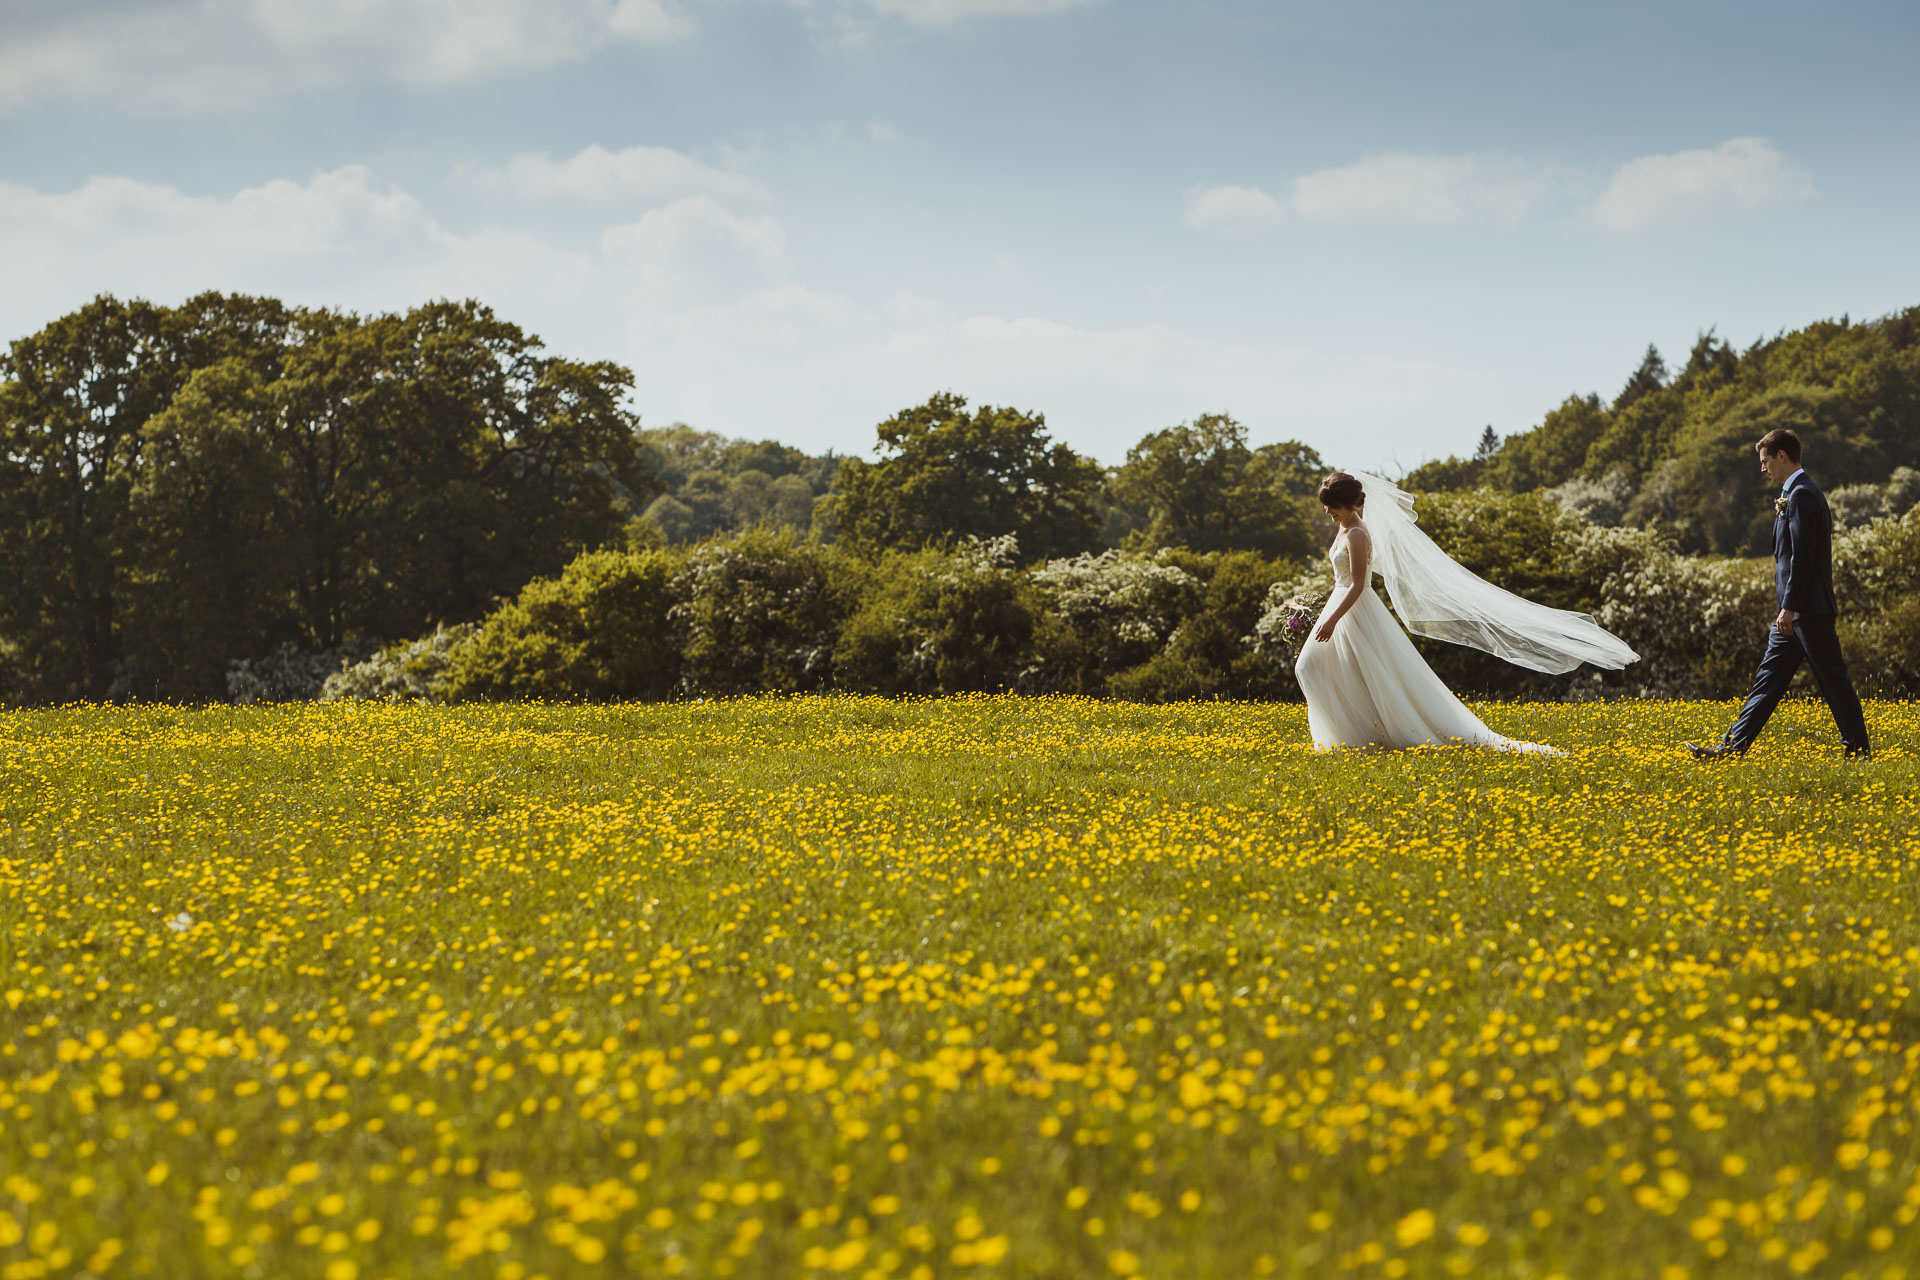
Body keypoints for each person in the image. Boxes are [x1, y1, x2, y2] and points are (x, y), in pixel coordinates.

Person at [1294, 471, 1638, 752]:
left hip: (1354, 610)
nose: (1328, 513)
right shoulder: (1343, 528)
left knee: (1329, 668)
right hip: (1338, 607)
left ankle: (1368, 735)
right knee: (1318, 668)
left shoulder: (1357, 533)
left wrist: (1333, 619)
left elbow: (1356, 584)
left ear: (1347, 503)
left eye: (1332, 507)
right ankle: (1351, 734)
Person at [1686, 429, 1872, 760]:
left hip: (1806, 611)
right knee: (1767, 683)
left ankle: (1858, 751)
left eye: (1765, 461)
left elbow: (1802, 556)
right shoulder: (1798, 493)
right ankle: (1730, 749)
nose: (1762, 469)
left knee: (1834, 683)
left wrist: (1789, 607)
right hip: (1793, 614)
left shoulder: (1801, 495)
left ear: (1781, 456)